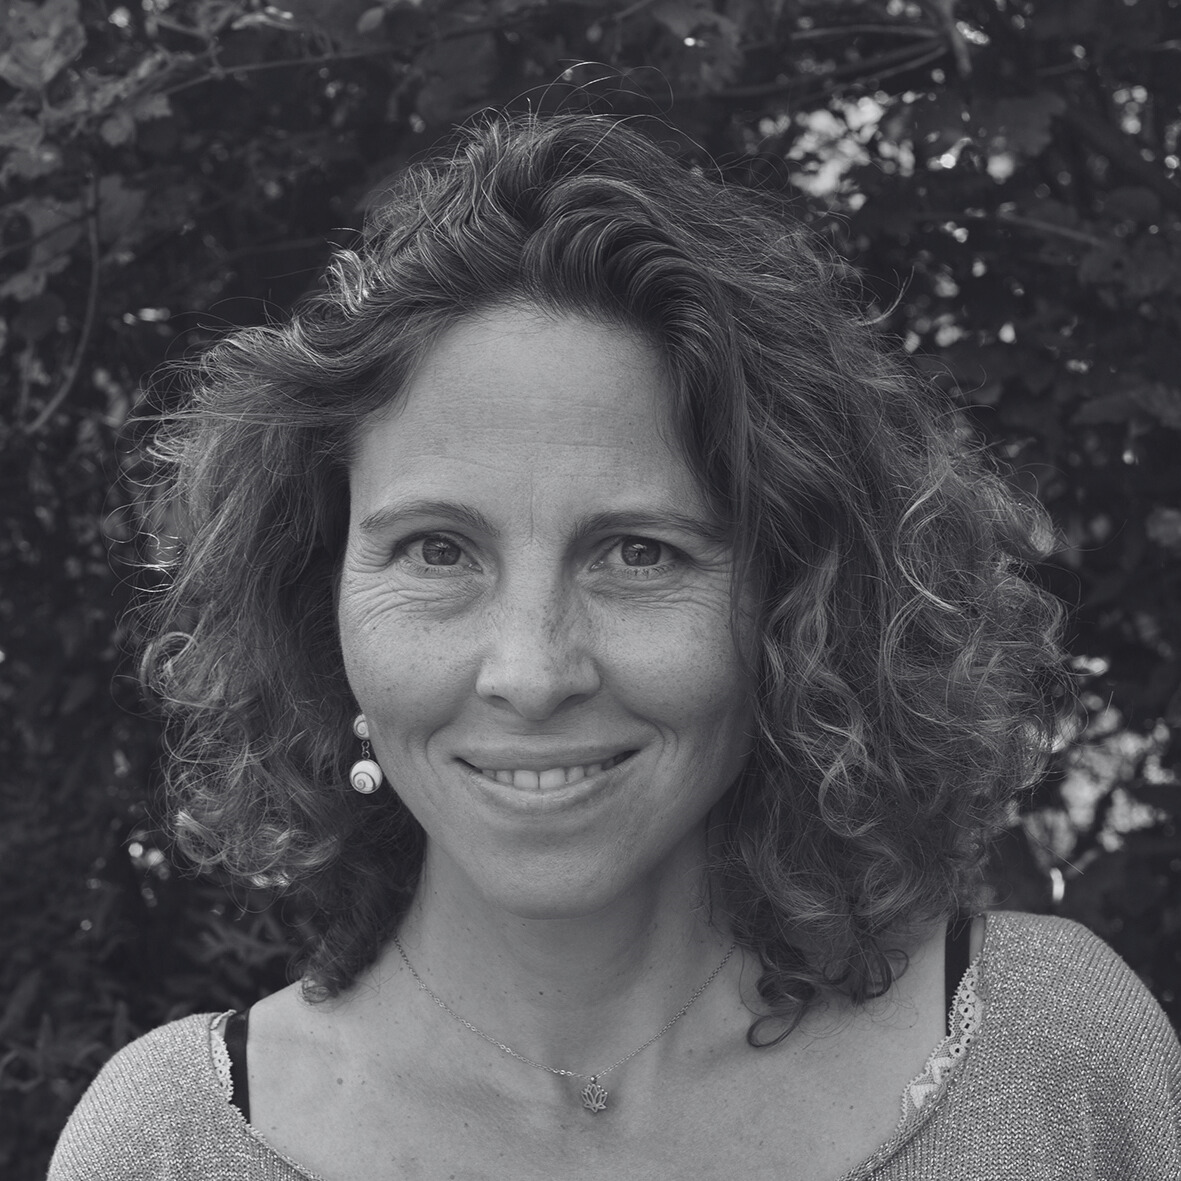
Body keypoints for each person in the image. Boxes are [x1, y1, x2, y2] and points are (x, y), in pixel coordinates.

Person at [50, 110, 1178, 1180]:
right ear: (318, 608)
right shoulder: (168, 1146)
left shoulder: (1052, 1063)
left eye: (637, 552)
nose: (531, 672)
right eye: (438, 550)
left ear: (798, 608)